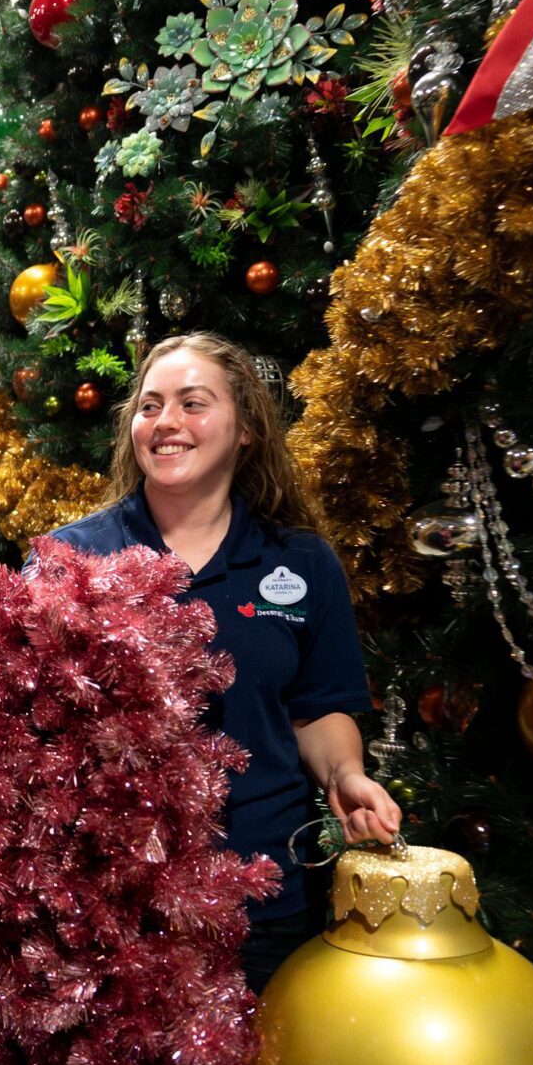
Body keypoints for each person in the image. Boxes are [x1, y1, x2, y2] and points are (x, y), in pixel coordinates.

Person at [46, 332, 401, 992]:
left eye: (192, 402)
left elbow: (318, 706)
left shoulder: (300, 562)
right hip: (115, 904)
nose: (167, 422)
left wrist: (346, 773)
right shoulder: (71, 559)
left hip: (264, 900)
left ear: (245, 429)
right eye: (150, 406)